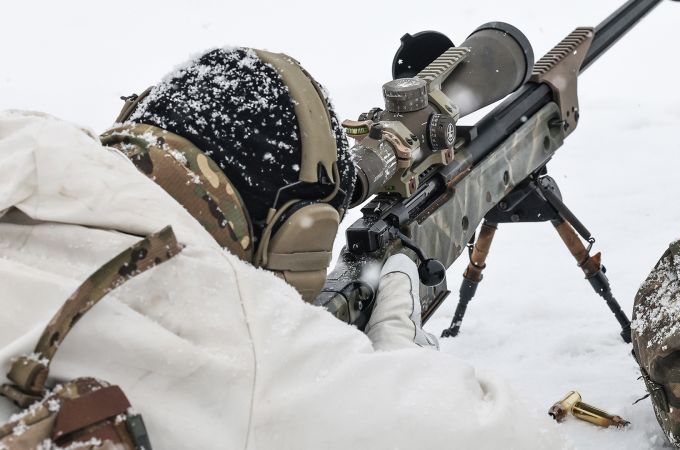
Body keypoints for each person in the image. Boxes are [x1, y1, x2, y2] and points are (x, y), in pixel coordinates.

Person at [0, 47, 562, 449]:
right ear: (301, 235)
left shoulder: (20, 151)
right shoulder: (247, 351)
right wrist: (393, 358)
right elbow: (524, 437)